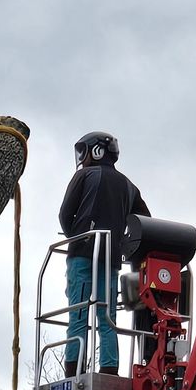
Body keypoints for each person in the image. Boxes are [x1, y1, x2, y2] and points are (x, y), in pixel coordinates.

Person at [58, 131, 148, 376]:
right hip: (111, 259)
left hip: (82, 255)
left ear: (95, 151)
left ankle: (73, 370)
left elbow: (65, 215)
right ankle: (109, 369)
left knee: (78, 313)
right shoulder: (129, 186)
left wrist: (76, 237)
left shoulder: (84, 175)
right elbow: (144, 222)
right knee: (107, 317)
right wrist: (121, 242)